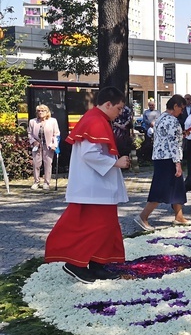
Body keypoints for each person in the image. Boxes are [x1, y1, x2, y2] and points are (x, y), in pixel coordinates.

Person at [45, 87, 131, 283]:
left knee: (105, 227)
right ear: (108, 104)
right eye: (118, 108)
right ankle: (76, 264)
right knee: (97, 227)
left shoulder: (96, 119)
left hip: (97, 185)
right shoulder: (95, 120)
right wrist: (115, 162)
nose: (119, 113)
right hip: (94, 187)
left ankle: (97, 265)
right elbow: (89, 153)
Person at [134, 95, 191, 231]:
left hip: (160, 156)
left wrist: (181, 134)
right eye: (181, 109)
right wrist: (177, 163)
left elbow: (167, 137)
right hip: (168, 159)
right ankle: (143, 216)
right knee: (160, 189)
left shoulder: (161, 118)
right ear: (175, 106)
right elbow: (173, 143)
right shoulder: (172, 121)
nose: (182, 112)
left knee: (177, 187)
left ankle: (179, 216)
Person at [28, 104, 60, 190]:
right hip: (37, 145)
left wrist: (54, 144)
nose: (40, 112)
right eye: (38, 111)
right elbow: (29, 134)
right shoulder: (32, 121)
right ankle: (36, 182)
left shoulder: (53, 121)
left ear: (47, 112)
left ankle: (46, 183)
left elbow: (56, 134)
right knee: (36, 163)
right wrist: (33, 142)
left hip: (49, 145)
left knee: (48, 164)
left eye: (42, 111)